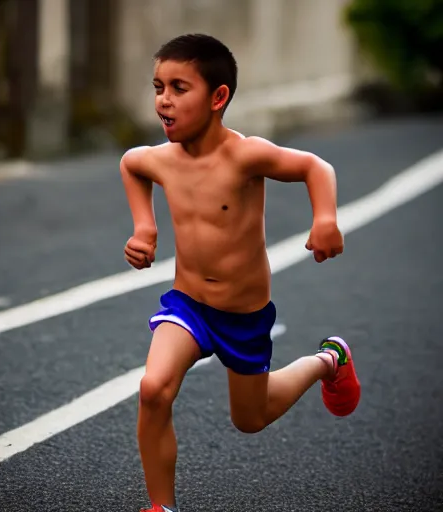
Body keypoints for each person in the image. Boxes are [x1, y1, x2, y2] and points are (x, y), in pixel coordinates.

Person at [120, 33, 361, 512]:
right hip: (187, 305)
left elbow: (316, 167)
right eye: (157, 86)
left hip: (242, 314)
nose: (163, 100)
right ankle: (160, 507)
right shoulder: (160, 160)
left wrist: (326, 217)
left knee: (251, 418)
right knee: (153, 390)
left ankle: (328, 361)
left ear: (218, 97)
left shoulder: (245, 155)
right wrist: (144, 228)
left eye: (178, 88)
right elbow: (131, 164)